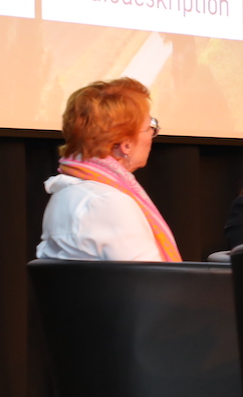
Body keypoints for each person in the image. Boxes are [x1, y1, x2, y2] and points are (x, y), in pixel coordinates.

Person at [37, 78, 181, 262]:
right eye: (149, 128)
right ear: (125, 145)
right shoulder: (108, 202)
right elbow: (151, 282)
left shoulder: (67, 192)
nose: (153, 136)